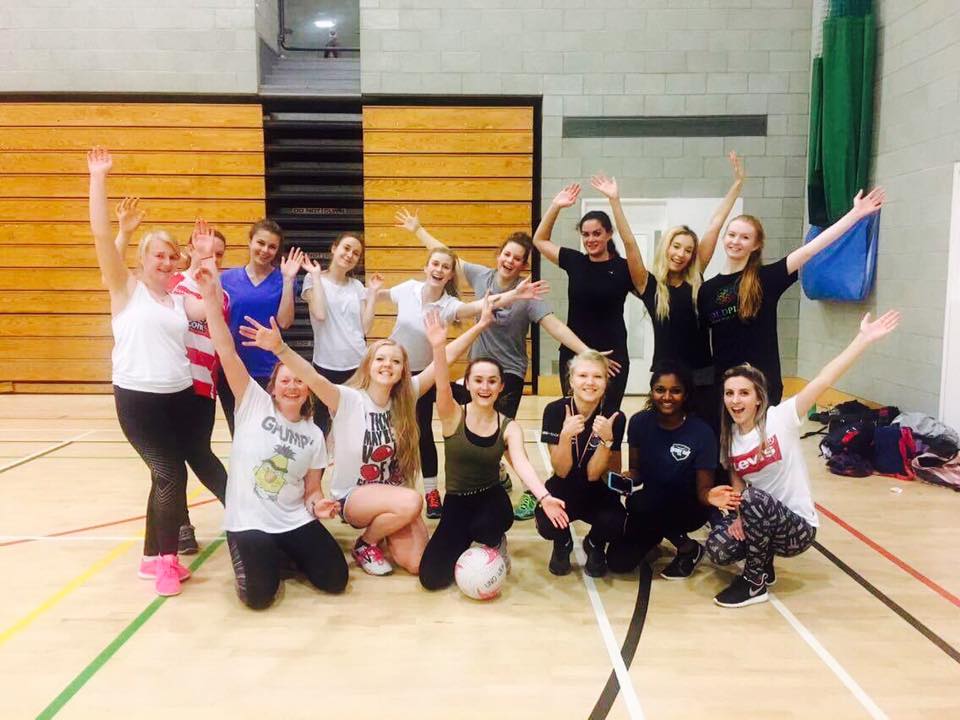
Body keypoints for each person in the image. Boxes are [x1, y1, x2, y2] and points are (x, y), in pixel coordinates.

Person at [239, 295, 496, 578]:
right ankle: (366, 543)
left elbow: (445, 358)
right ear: (369, 366)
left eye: (395, 361)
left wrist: (480, 325)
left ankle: (384, 529)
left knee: (416, 564)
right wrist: (281, 348)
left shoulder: (407, 396)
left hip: (392, 499)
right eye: (381, 359)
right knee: (412, 501)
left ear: (402, 371)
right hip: (354, 499)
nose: (388, 365)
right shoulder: (348, 400)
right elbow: (314, 378)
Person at [395, 208, 622, 520]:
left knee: (503, 437)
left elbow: (555, 326)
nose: (510, 261)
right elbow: (446, 255)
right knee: (468, 433)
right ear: (499, 255)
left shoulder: (529, 295)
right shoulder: (481, 276)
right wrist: (418, 229)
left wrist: (589, 353)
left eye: (517, 258)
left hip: (510, 374)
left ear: (523, 264)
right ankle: (493, 477)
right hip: (477, 372)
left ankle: (532, 492)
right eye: (507, 255)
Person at [87, 147, 226, 597]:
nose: (165, 263)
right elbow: (101, 237)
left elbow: (212, 308)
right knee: (169, 474)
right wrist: (99, 178)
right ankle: (167, 561)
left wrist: (206, 262)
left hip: (181, 398)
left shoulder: (175, 301)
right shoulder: (126, 291)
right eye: (158, 257)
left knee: (164, 475)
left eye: (171, 257)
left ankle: (152, 558)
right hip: (139, 400)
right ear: (144, 259)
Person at [706, 310, 900, 608]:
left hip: (796, 528)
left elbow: (824, 379)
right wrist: (738, 517)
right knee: (718, 548)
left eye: (744, 393)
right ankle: (764, 563)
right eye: (730, 393)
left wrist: (863, 339)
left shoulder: (781, 418)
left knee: (753, 499)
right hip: (761, 518)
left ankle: (755, 584)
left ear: (758, 397)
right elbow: (736, 474)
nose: (735, 400)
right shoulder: (729, 435)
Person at [194, 262, 348, 609]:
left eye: (299, 380)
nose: (292, 385)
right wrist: (208, 297)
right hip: (249, 522)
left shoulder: (313, 435)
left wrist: (317, 504)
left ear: (307, 390)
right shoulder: (252, 402)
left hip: (293, 519)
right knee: (259, 598)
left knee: (335, 580)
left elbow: (311, 490)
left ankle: (279, 552)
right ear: (274, 387)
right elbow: (226, 349)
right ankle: (261, 555)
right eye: (285, 380)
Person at [374, 245, 548, 519]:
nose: (439, 269)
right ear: (426, 266)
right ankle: (408, 489)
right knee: (405, 432)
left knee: (448, 430)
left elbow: (482, 305)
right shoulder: (407, 288)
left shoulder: (449, 306)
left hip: (431, 373)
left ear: (450, 274)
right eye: (435, 264)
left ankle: (446, 488)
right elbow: (379, 295)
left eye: (445, 266)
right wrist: (369, 293)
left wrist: (514, 294)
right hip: (400, 374)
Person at [589, 153, 744, 425]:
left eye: (688, 250)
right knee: (667, 435)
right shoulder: (649, 286)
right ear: (667, 247)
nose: (681, 254)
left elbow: (715, 223)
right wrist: (614, 201)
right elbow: (629, 244)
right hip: (666, 376)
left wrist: (737, 184)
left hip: (702, 375)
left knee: (704, 436)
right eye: (676, 246)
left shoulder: (696, 279)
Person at [699, 187, 885, 406]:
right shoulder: (707, 290)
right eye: (732, 235)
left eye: (745, 237)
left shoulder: (766, 279)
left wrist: (855, 214)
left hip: (762, 387)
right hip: (726, 390)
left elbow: (811, 250)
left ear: (756, 245)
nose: (736, 241)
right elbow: (703, 346)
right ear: (723, 238)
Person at [419, 332, 568, 591]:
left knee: (485, 526)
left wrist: (544, 497)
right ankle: (468, 540)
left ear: (501, 387)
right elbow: (442, 386)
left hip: (490, 498)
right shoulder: (452, 415)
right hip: (456, 502)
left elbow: (521, 464)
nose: (484, 387)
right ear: (466, 384)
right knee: (432, 578)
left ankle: (494, 541)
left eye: (491, 381)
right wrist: (438, 348)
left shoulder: (509, 427)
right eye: (478, 380)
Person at [606, 363, 721, 579]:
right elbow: (636, 470)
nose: (667, 397)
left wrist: (713, 497)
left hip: (688, 507)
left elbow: (703, 490)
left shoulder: (702, 432)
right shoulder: (640, 422)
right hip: (651, 504)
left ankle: (688, 548)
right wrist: (627, 477)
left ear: (685, 394)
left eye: (675, 391)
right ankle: (653, 538)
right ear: (652, 392)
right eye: (660, 390)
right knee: (618, 562)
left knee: (640, 503)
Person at [538, 350, 626, 578]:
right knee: (545, 518)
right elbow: (561, 469)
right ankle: (562, 542)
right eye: (582, 375)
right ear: (571, 380)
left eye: (597, 376)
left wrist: (607, 441)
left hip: (595, 488)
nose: (590, 382)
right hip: (563, 485)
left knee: (615, 521)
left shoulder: (614, 415)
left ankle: (595, 543)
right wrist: (566, 436)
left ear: (606, 382)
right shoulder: (554, 410)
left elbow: (594, 474)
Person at [219, 218, 302, 435]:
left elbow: (285, 322)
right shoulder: (226, 279)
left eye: (272, 246)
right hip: (233, 367)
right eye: (261, 243)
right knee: (238, 431)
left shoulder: (282, 280)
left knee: (267, 433)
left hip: (267, 369)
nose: (265, 250)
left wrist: (287, 281)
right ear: (250, 242)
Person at [300, 232, 381, 433]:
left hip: (357, 364)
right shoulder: (312, 279)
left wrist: (372, 294)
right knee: (321, 425)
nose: (349, 255)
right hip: (325, 365)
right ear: (334, 248)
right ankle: (319, 465)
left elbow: (365, 328)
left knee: (354, 426)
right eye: (346, 248)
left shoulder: (357, 286)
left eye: (355, 253)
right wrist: (317, 277)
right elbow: (319, 313)